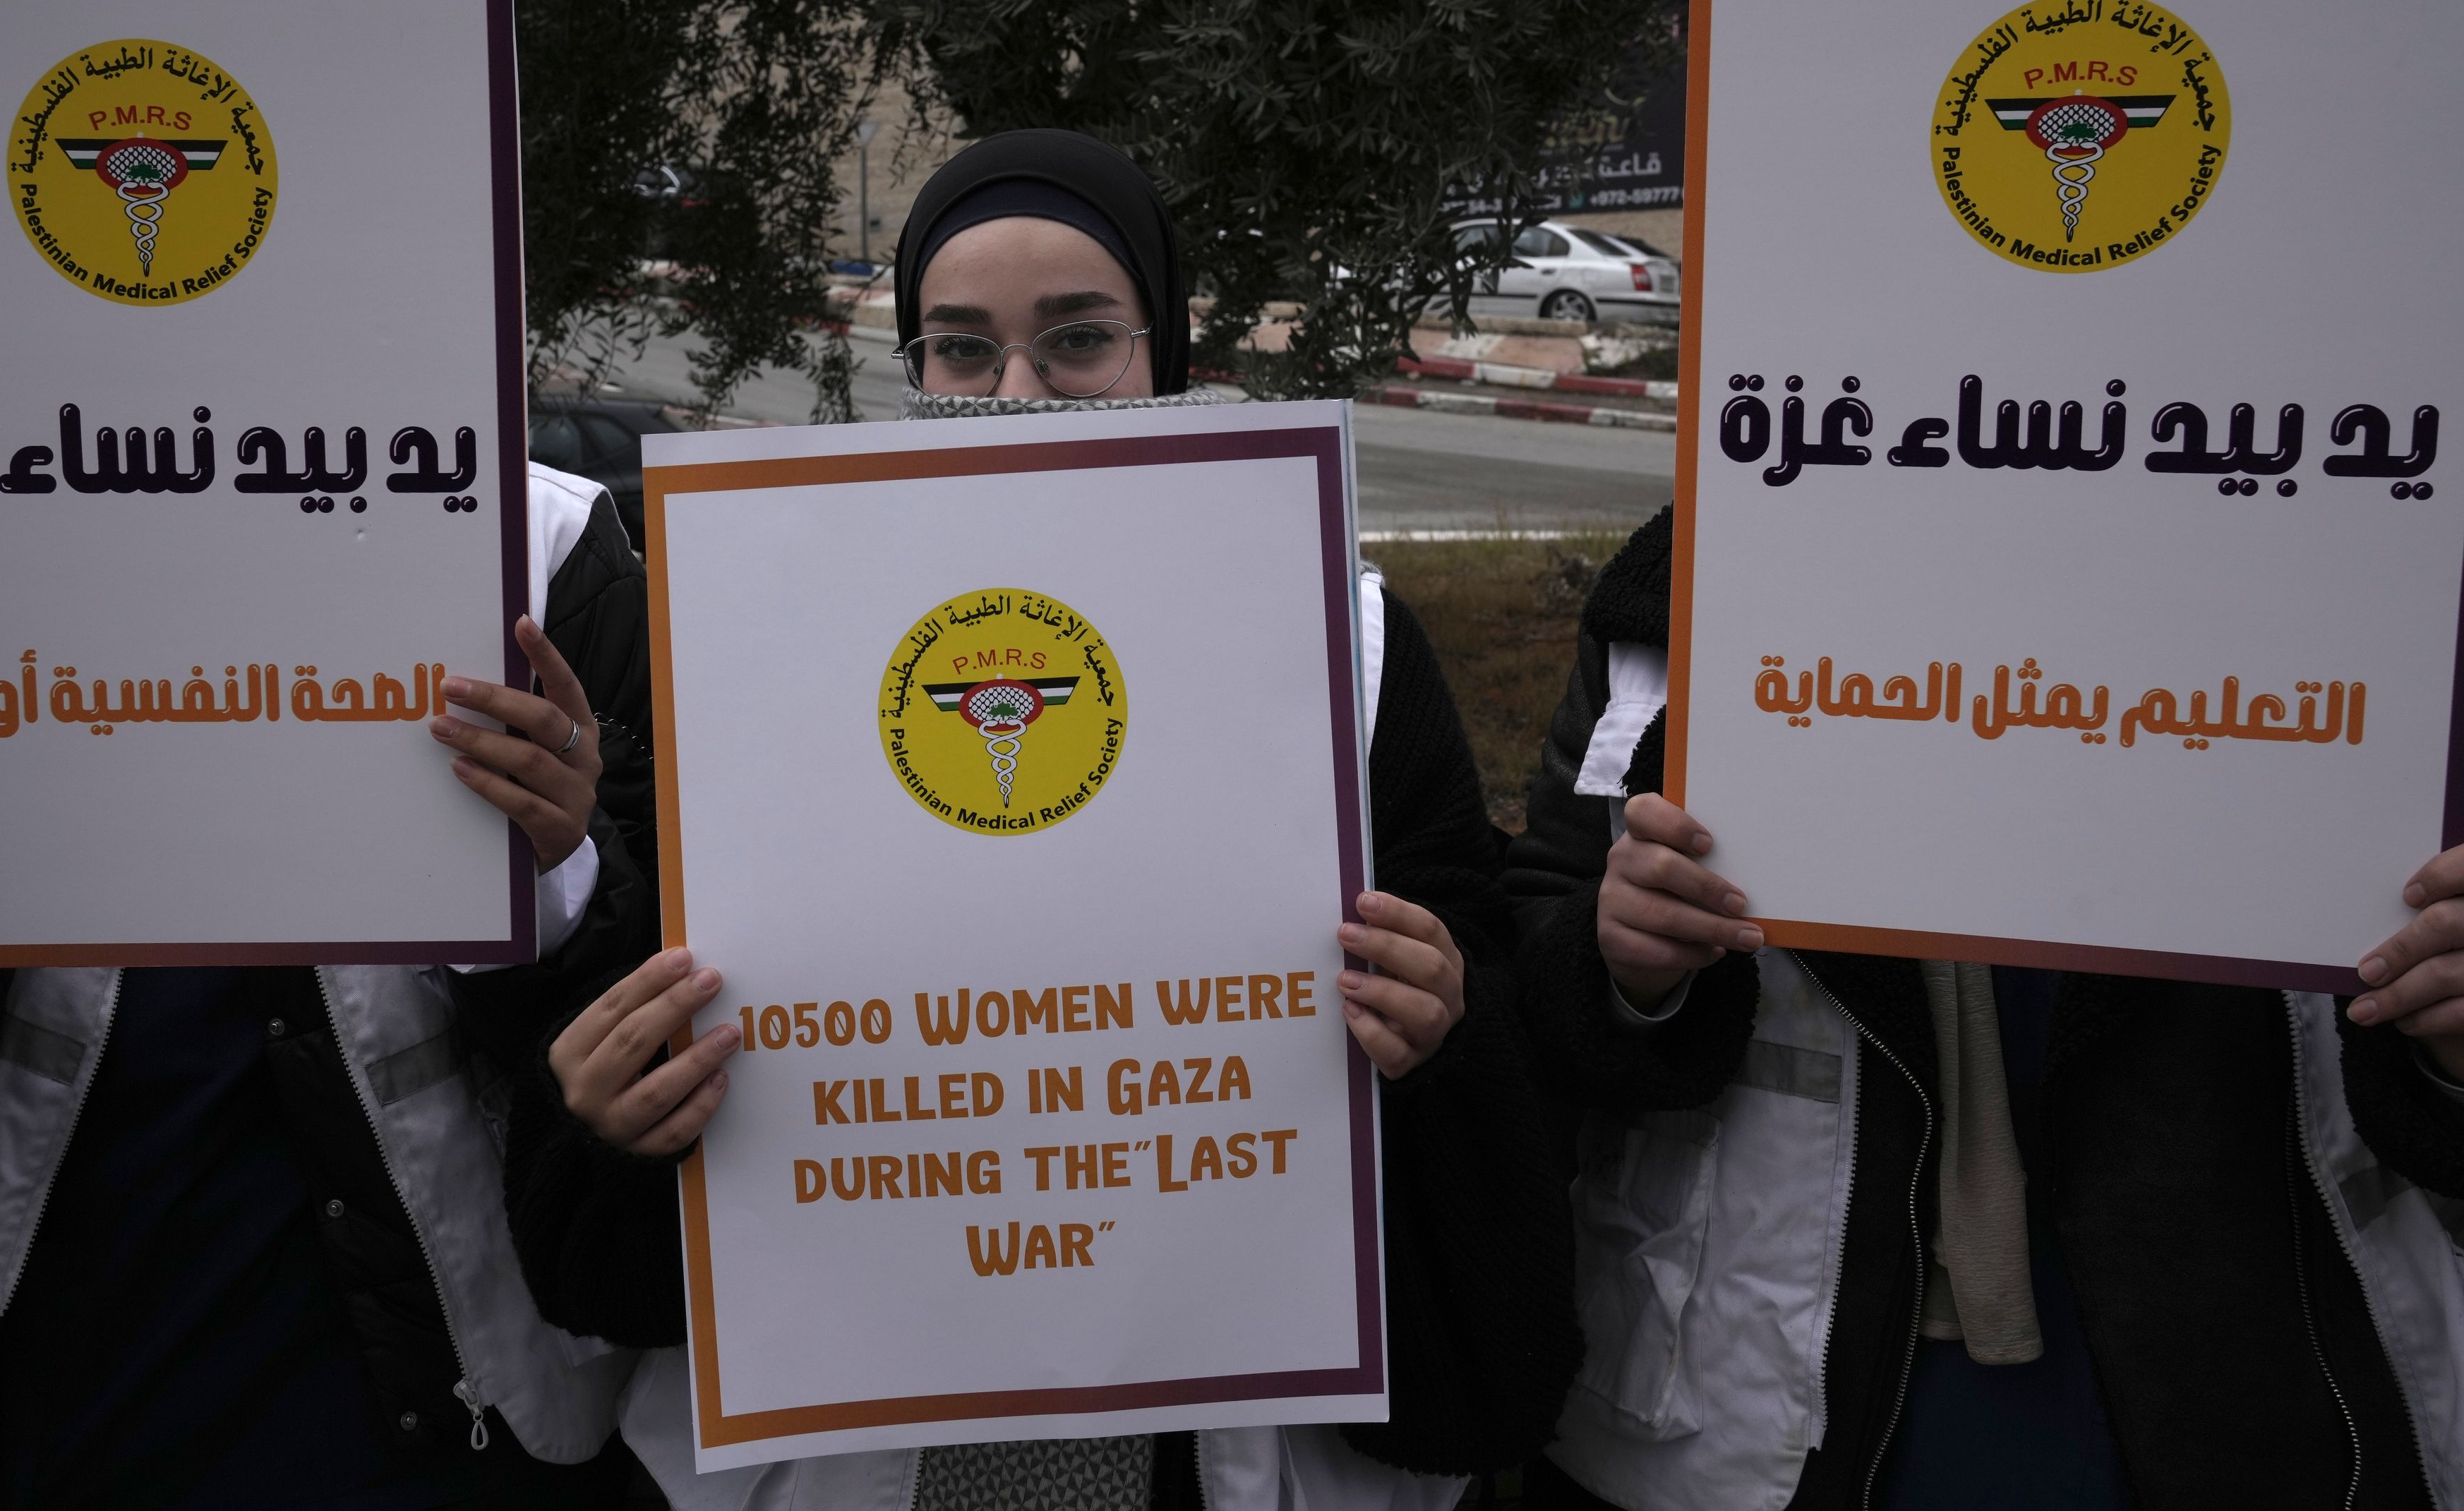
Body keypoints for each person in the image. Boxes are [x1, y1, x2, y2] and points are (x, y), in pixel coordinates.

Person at [502, 129, 1581, 1511]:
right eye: (960, 349)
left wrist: (1441, 1024)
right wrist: (606, 1110)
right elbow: (674, 1042)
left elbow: (1479, 1030)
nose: (1013, 393)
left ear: (1164, 355)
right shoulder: (765, 641)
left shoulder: (1346, 645)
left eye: (1076, 340)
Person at [1501, 503, 2464, 1511]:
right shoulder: (1690, 577)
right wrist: (1627, 972)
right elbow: (1541, 937)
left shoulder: (2369, 566)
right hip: (1762, 1406)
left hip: (2257, 1389)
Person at [0, 461, 662, 1509]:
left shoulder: (542, 539)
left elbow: (644, 1005)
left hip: (440, 1387)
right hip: (69, 1358)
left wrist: (552, 876)